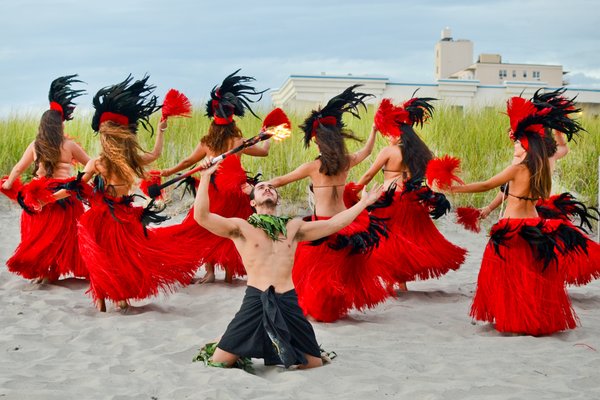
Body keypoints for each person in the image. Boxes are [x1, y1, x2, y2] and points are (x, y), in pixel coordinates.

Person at [194, 159, 384, 369]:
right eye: (261, 187)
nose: (267, 188)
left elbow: (333, 224)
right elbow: (202, 216)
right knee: (220, 362)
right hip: (256, 297)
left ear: (278, 198)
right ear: (253, 202)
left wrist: (364, 203)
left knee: (313, 363)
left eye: (271, 187)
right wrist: (204, 177)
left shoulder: (293, 228)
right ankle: (224, 339)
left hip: (288, 300)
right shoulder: (241, 228)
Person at [449, 95, 595, 335]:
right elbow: (558, 149)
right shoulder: (541, 166)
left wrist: (454, 188)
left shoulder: (518, 168)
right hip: (535, 224)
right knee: (532, 276)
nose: (514, 145)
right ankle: (531, 319)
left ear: (525, 145)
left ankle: (515, 320)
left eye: (517, 142)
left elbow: (486, 185)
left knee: (509, 277)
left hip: (512, 227)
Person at [265, 85, 393, 322]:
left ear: (320, 144)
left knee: (317, 273)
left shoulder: (313, 167)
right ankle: (332, 308)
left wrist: (261, 186)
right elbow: (366, 152)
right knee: (336, 271)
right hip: (347, 223)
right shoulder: (345, 162)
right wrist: (373, 130)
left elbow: (282, 180)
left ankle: (321, 310)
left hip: (323, 225)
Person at [74, 75, 198, 312]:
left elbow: (153, 156)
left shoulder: (109, 161)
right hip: (106, 216)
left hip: (120, 215)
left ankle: (113, 300)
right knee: (105, 259)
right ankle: (109, 300)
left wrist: (161, 130)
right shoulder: (100, 162)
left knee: (117, 258)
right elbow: (79, 186)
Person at [159, 69, 270, 284]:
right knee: (233, 229)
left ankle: (209, 272)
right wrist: (267, 136)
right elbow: (264, 152)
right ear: (232, 121)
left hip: (213, 190)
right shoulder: (238, 140)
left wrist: (169, 172)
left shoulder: (207, 143)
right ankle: (229, 274)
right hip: (237, 190)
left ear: (213, 121)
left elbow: (187, 163)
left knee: (205, 228)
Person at [356, 97, 466, 291]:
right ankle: (401, 284)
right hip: (411, 199)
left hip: (391, 200)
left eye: (389, 133)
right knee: (403, 243)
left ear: (398, 135)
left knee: (390, 242)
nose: (388, 136)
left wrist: (354, 190)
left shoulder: (390, 151)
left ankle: (392, 284)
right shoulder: (417, 152)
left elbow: (368, 174)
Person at [1, 75, 90, 283]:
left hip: (38, 195)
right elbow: (90, 165)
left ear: (43, 126)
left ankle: (44, 273)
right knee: (62, 236)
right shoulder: (69, 146)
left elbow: (17, 168)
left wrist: (7, 184)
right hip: (63, 196)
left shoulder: (35, 145)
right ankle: (52, 272)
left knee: (41, 236)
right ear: (59, 125)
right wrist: (80, 183)